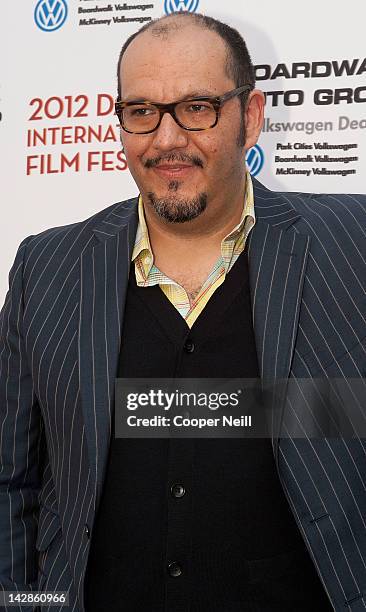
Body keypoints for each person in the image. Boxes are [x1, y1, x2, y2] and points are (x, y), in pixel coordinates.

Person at [0, 11, 365, 612]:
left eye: (197, 107)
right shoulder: (47, 267)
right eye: (142, 111)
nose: (166, 139)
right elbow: (12, 481)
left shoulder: (351, 247)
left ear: (250, 117)